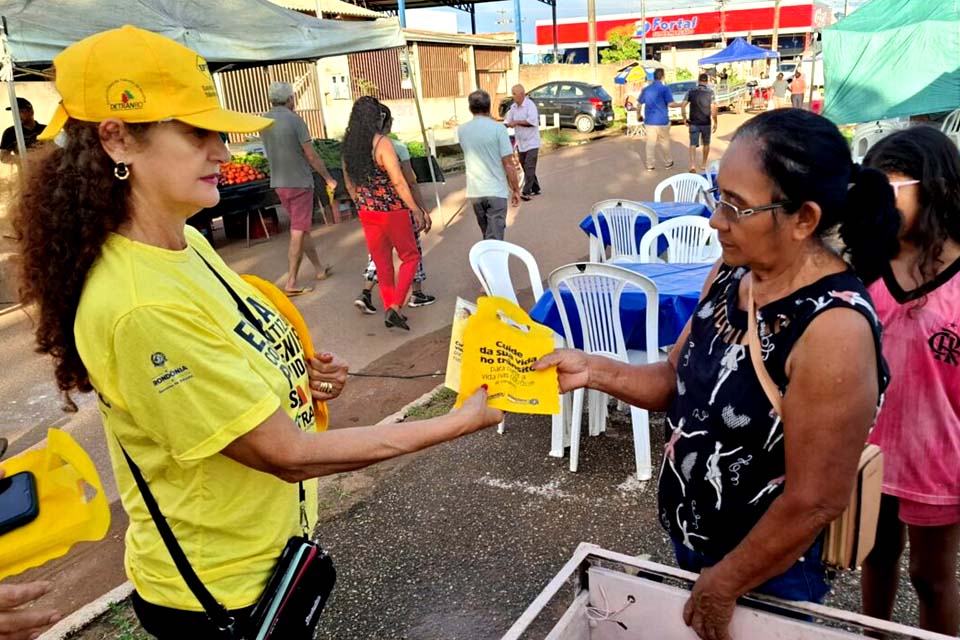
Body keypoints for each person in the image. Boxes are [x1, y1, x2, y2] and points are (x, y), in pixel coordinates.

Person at [13, 27, 502, 638]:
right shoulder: (139, 305)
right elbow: (285, 455)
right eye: (196, 134)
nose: (221, 152)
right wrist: (457, 422)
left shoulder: (186, 244)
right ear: (117, 138)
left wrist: (298, 374)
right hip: (218, 594)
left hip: (271, 556)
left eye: (219, 134)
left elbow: (235, 361)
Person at [535, 109, 899, 640]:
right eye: (717, 197)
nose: (715, 221)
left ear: (804, 219)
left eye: (735, 206)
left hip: (770, 572)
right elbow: (674, 380)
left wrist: (725, 582)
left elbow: (815, 498)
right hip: (696, 541)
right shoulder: (733, 272)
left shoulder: (833, 328)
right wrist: (590, 368)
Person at [859, 127, 960, 636]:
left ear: (936, 188)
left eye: (891, 190)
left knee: (931, 578)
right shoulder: (867, 268)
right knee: (874, 558)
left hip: (940, 456)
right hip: (870, 450)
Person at [342, 96, 428, 331]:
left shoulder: (348, 147)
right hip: (392, 210)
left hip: (367, 211)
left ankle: (391, 307)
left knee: (382, 263)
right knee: (410, 256)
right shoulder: (382, 144)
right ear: (376, 118)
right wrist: (416, 209)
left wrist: (362, 202)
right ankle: (395, 307)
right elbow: (398, 181)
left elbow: (349, 184)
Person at [261, 81, 337, 296]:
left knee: (302, 228)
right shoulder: (295, 120)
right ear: (290, 99)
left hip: (279, 182)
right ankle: (291, 281)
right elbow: (311, 155)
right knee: (298, 231)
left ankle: (319, 269)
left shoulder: (264, 120)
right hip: (299, 182)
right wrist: (328, 178)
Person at [458, 90, 521, 241]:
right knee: (495, 239)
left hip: (475, 191)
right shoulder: (498, 129)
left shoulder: (462, 130)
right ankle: (493, 257)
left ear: (470, 108)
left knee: (487, 235)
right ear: (489, 106)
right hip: (495, 191)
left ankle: (487, 256)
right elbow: (508, 164)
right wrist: (516, 189)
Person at [504, 84, 541, 200]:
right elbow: (507, 121)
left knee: (529, 166)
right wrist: (502, 126)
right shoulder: (514, 107)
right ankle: (535, 187)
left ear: (522, 94)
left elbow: (532, 122)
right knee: (525, 166)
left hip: (532, 142)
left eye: (514, 94)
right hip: (521, 143)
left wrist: (517, 122)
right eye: (512, 94)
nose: (513, 96)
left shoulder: (530, 106)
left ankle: (526, 191)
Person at [638, 68, 680, 171]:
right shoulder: (665, 89)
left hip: (649, 121)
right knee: (665, 142)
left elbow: (639, 104)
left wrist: (638, 115)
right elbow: (671, 104)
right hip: (662, 120)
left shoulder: (646, 89)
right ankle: (668, 162)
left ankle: (650, 165)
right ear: (662, 76)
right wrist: (681, 104)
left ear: (654, 77)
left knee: (650, 143)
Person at [680, 73, 718, 174]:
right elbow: (713, 108)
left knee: (693, 143)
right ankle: (704, 164)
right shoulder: (710, 92)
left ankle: (692, 165)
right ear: (707, 81)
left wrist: (684, 118)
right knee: (706, 143)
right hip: (706, 122)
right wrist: (715, 122)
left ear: (698, 80)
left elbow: (683, 105)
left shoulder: (691, 91)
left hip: (694, 122)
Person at [1, 97, 46, 164]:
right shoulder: (10, 133)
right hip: (26, 170)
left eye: (20, 111)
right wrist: (22, 159)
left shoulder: (45, 129)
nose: (17, 115)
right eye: (14, 112)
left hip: (49, 169)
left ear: (31, 112)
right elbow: (3, 157)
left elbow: (57, 150)